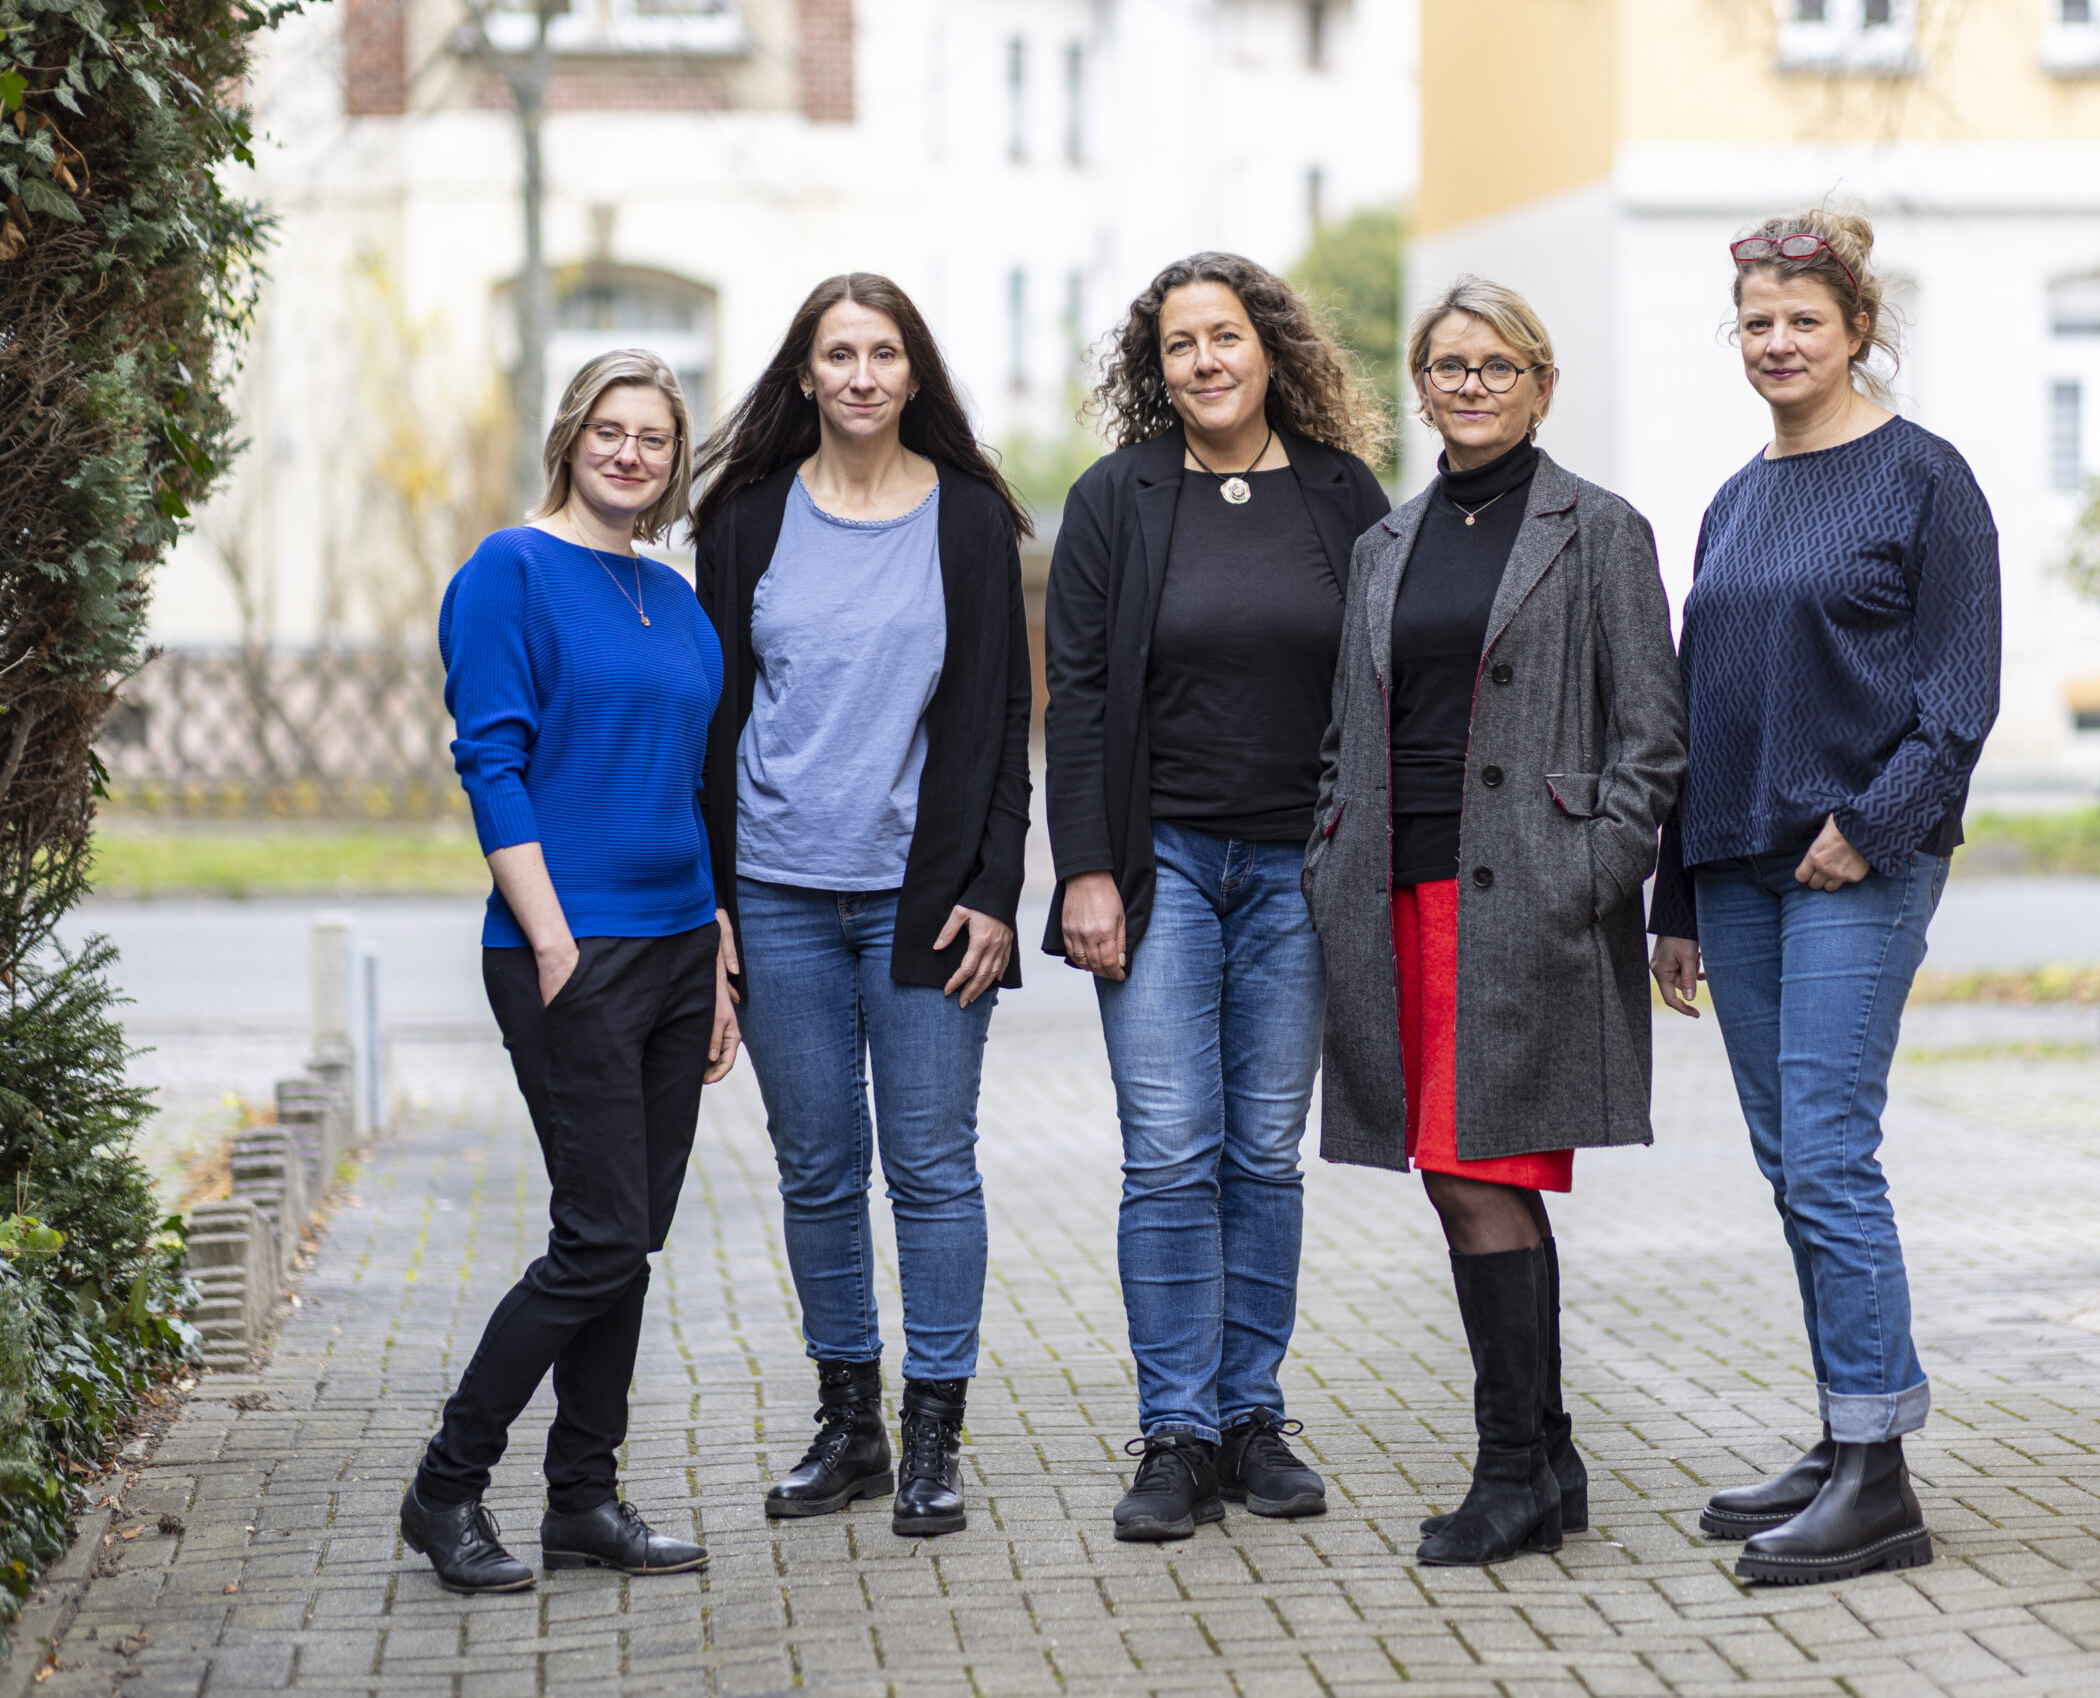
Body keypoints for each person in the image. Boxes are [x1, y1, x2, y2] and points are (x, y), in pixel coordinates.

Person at [1304, 278, 1685, 1566]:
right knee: (1457, 1168)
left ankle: (1513, 1471)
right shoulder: (1383, 545)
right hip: (1390, 897)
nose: (1470, 385)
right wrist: (1326, 857)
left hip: (1521, 900)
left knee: (1481, 1172)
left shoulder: (1599, 531)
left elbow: (1652, 739)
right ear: (1421, 384)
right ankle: (1552, 1451)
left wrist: (1592, 871)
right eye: (1449, 366)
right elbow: (1348, 732)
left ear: (1540, 382)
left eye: (1496, 366)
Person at [1649, 208, 2001, 1585]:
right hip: (1735, 864)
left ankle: (1879, 1476)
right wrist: (1671, 894)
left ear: (1859, 328)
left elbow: (1961, 690)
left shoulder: (1925, 480)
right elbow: (1700, 710)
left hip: (1859, 858)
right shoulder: (1735, 499)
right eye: (1755, 325)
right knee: (1791, 1161)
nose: (1776, 343)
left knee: (1832, 1153)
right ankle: (1846, 1434)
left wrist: (1877, 826)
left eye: (1801, 320)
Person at [1044, 252, 1391, 1541]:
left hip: (1300, 866)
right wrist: (1086, 866)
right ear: (1157, 365)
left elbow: (1387, 680)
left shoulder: (1343, 496)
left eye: (1225, 336)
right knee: (1170, 1152)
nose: (1205, 360)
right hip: (1163, 866)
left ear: (1270, 349)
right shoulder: (1114, 501)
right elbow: (1074, 695)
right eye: (1181, 343)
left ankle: (1251, 1417)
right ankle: (1177, 1430)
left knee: (1261, 1152)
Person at [691, 274, 1034, 1539]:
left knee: (933, 1168)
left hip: (927, 901)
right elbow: (708, 722)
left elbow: (1005, 722)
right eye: (838, 354)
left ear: (912, 373)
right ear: (804, 376)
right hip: (775, 894)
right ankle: (849, 1421)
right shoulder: (742, 519)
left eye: (884, 353)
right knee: (818, 1166)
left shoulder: (970, 521)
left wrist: (994, 890)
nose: (862, 376)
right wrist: (713, 902)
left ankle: (934, 1435)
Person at [403, 349, 738, 1595]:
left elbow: (690, 792)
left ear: (673, 460)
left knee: (628, 1239)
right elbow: (489, 760)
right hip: (568, 951)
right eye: (611, 429)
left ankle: (582, 1501)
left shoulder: (674, 595)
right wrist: (552, 939)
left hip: (676, 947)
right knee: (597, 1238)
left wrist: (719, 955)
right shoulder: (510, 572)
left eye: (654, 437)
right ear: (571, 437)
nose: (631, 454)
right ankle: (445, 1486)